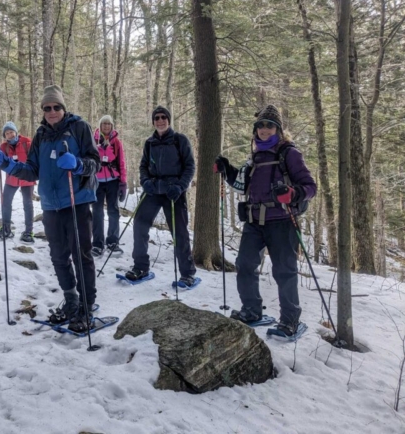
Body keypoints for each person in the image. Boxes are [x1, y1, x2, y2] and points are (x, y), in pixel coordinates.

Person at [0, 85, 100, 332]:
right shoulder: (41, 135)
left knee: (81, 255)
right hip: (51, 205)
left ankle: (86, 306)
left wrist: (78, 165)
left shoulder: (79, 128)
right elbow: (32, 170)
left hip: (77, 201)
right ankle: (71, 300)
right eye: (47, 108)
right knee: (58, 256)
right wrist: (8, 165)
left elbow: (95, 163)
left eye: (56, 107)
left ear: (63, 107)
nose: (51, 111)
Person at [214, 104, 317, 336]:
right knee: (245, 265)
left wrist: (294, 194)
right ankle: (252, 311)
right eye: (260, 125)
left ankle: (290, 320)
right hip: (254, 222)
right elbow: (242, 183)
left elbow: (310, 187)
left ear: (278, 129)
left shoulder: (289, 153)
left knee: (284, 271)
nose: (264, 129)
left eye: (270, 125)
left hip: (282, 220)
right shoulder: (255, 155)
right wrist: (226, 169)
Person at [126, 106, 197, 285]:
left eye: (163, 117)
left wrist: (180, 186)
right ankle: (140, 267)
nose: (160, 120)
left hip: (174, 192)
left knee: (179, 231)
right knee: (139, 224)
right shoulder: (149, 142)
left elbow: (190, 166)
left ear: (168, 119)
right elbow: (143, 166)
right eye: (157, 118)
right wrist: (145, 181)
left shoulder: (180, 140)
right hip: (153, 189)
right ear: (153, 121)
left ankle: (187, 273)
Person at [0, 122, 35, 243]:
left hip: (26, 177)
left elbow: (35, 159)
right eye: (7, 133)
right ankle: (6, 229)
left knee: (28, 204)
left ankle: (28, 232)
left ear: (16, 132)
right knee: (6, 202)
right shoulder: (4, 147)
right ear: (4, 136)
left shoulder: (27, 143)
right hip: (11, 179)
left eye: (11, 132)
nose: (10, 135)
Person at [92, 115, 127, 258]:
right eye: (104, 124)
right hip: (97, 181)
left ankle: (113, 241)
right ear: (100, 125)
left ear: (112, 126)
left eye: (109, 124)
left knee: (113, 211)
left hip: (113, 180)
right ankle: (97, 243)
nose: (106, 126)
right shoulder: (93, 140)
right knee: (97, 212)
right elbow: (90, 159)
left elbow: (122, 163)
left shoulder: (116, 142)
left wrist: (123, 183)